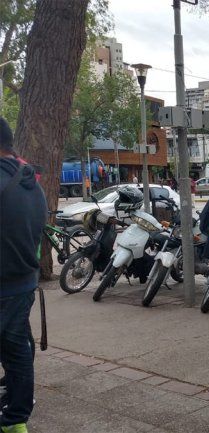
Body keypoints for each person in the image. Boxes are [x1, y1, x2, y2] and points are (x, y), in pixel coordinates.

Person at [0, 117, 47, 433]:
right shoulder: (30, 180)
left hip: (4, 284)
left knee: (15, 348)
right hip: (23, 281)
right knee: (17, 345)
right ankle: (15, 412)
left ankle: (15, 418)